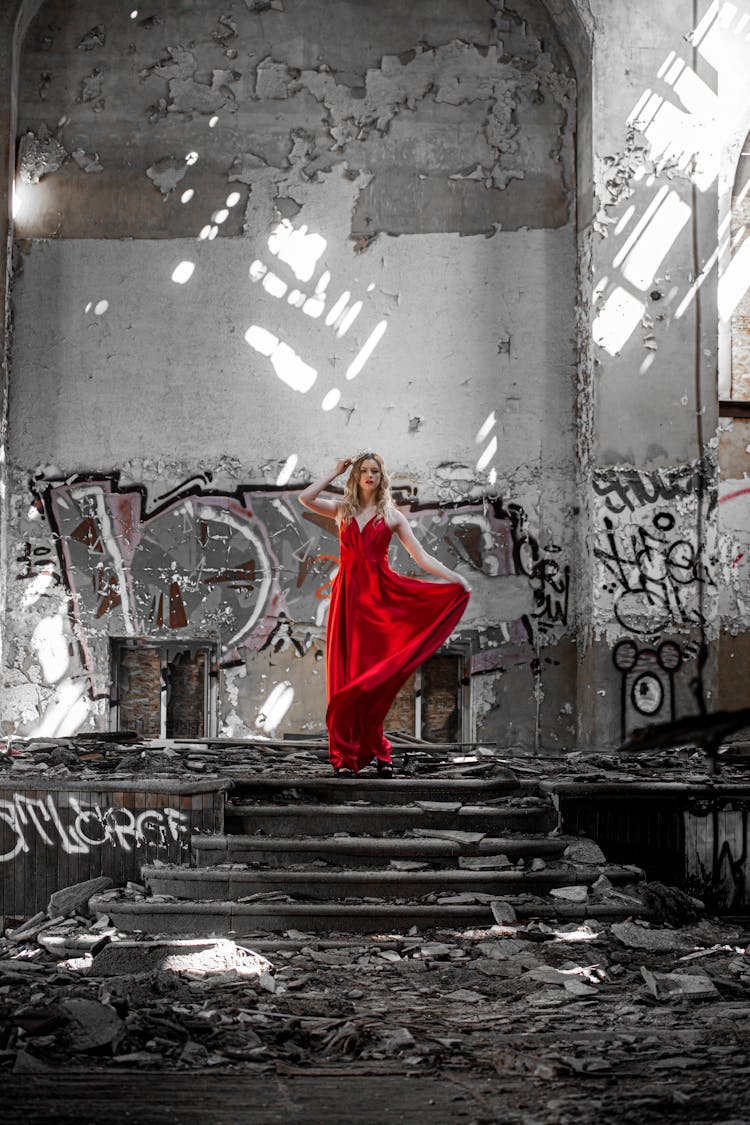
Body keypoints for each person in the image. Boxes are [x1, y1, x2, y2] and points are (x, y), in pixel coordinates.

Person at [298, 452, 471, 777]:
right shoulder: (341, 510)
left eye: (374, 470)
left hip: (378, 602)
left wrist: (454, 579)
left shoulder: (391, 516)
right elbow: (305, 498)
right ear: (356, 476)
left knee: (372, 682)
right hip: (347, 602)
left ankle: (379, 749)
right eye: (363, 470)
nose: (368, 475)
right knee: (344, 682)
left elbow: (420, 557)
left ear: (381, 476)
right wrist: (334, 472)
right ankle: (344, 759)